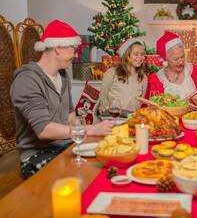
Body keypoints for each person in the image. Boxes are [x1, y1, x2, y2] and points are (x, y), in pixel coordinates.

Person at [10, 20, 115, 179]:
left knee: (102, 163)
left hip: (64, 147)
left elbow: (70, 114)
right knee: (81, 175)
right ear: (58, 47)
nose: (75, 55)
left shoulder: (63, 76)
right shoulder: (27, 80)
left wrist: (83, 141)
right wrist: (92, 129)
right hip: (37, 155)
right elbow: (44, 130)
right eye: (74, 50)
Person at [150, 32, 197, 110]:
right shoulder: (158, 79)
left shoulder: (194, 69)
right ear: (166, 59)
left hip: (196, 119)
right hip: (170, 121)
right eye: (176, 59)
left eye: (183, 57)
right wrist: (182, 104)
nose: (181, 62)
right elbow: (155, 107)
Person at [99, 38, 147, 112]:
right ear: (127, 55)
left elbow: (141, 100)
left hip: (132, 119)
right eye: (136, 54)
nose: (140, 57)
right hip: (114, 118)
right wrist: (107, 114)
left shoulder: (143, 78)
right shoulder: (112, 73)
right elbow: (103, 96)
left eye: (142, 54)